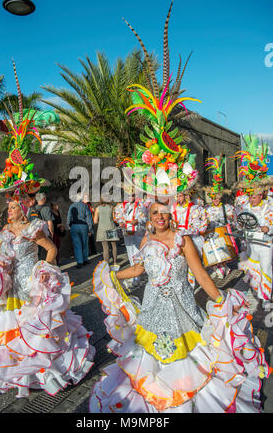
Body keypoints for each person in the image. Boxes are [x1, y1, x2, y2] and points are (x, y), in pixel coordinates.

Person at [0, 64, 95, 397]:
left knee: (37, 328)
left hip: (31, 281)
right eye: (9, 205)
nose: (11, 208)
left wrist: (45, 272)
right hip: (11, 284)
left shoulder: (33, 227)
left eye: (14, 205)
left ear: (23, 207)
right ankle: (11, 368)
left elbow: (52, 248)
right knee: (7, 326)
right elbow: (2, 255)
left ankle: (43, 370)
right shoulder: (5, 231)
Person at [91, 201, 270, 413]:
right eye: (155, 213)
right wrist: (112, 275)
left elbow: (201, 274)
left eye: (164, 213)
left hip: (182, 309)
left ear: (170, 215)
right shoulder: (146, 240)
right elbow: (138, 270)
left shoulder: (182, 240)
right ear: (149, 216)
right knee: (149, 356)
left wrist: (221, 300)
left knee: (188, 357)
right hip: (152, 309)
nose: (160, 217)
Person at [232, 135, 273, 304]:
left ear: (261, 194)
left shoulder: (269, 206)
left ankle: (265, 297)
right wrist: (239, 224)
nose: (252, 198)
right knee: (251, 268)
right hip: (250, 243)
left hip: (265, 244)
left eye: (254, 195)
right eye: (250, 195)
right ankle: (255, 290)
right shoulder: (245, 206)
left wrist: (267, 228)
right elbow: (237, 222)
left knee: (266, 268)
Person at [171, 191, 208, 288]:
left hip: (193, 240)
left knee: (192, 266)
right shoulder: (173, 208)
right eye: (176, 196)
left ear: (186, 196)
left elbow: (201, 228)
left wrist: (184, 232)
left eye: (180, 196)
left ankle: (191, 288)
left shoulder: (196, 209)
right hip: (177, 239)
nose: (177, 199)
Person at [117, 189, 148, 289]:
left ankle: (136, 277)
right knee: (130, 255)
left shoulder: (140, 206)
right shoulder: (122, 206)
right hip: (127, 233)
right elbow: (119, 217)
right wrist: (120, 223)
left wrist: (138, 221)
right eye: (128, 196)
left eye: (132, 195)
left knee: (137, 254)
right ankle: (134, 275)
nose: (130, 197)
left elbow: (145, 218)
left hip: (137, 233)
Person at [67, 193, 94, 268]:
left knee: (77, 245)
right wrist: (90, 228)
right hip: (84, 226)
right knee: (85, 243)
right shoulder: (85, 206)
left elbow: (68, 217)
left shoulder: (71, 206)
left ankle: (79, 262)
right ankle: (85, 259)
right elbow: (89, 218)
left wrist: (69, 226)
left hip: (74, 226)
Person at [93, 196, 119, 269]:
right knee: (114, 246)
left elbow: (95, 221)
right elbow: (115, 219)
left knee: (105, 248)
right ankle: (115, 263)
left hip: (102, 229)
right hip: (111, 228)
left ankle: (107, 265)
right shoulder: (112, 207)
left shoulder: (98, 208)